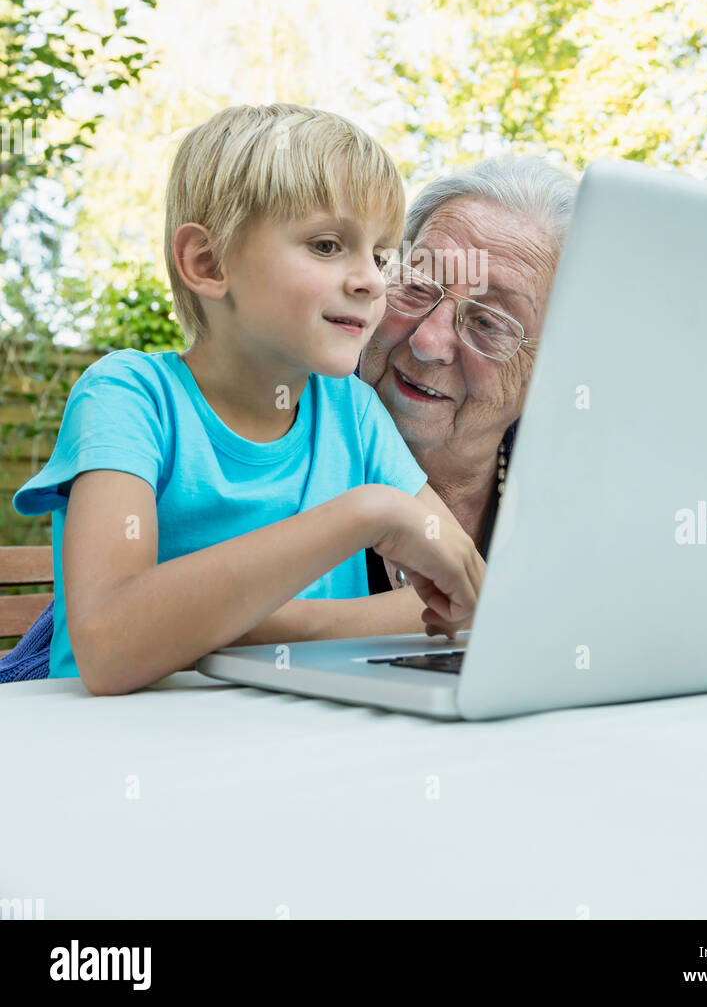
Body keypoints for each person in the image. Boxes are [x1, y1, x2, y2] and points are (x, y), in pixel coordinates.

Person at [8, 104, 482, 693]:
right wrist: (364, 515)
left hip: (287, 739)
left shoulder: (354, 414)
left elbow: (463, 597)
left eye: (381, 256)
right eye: (328, 245)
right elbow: (109, 647)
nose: (372, 281)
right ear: (207, 263)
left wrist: (255, 631)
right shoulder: (127, 398)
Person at [359, 154, 579, 593]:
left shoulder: (577, 501)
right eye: (417, 286)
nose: (427, 341)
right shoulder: (283, 440)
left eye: (488, 322)